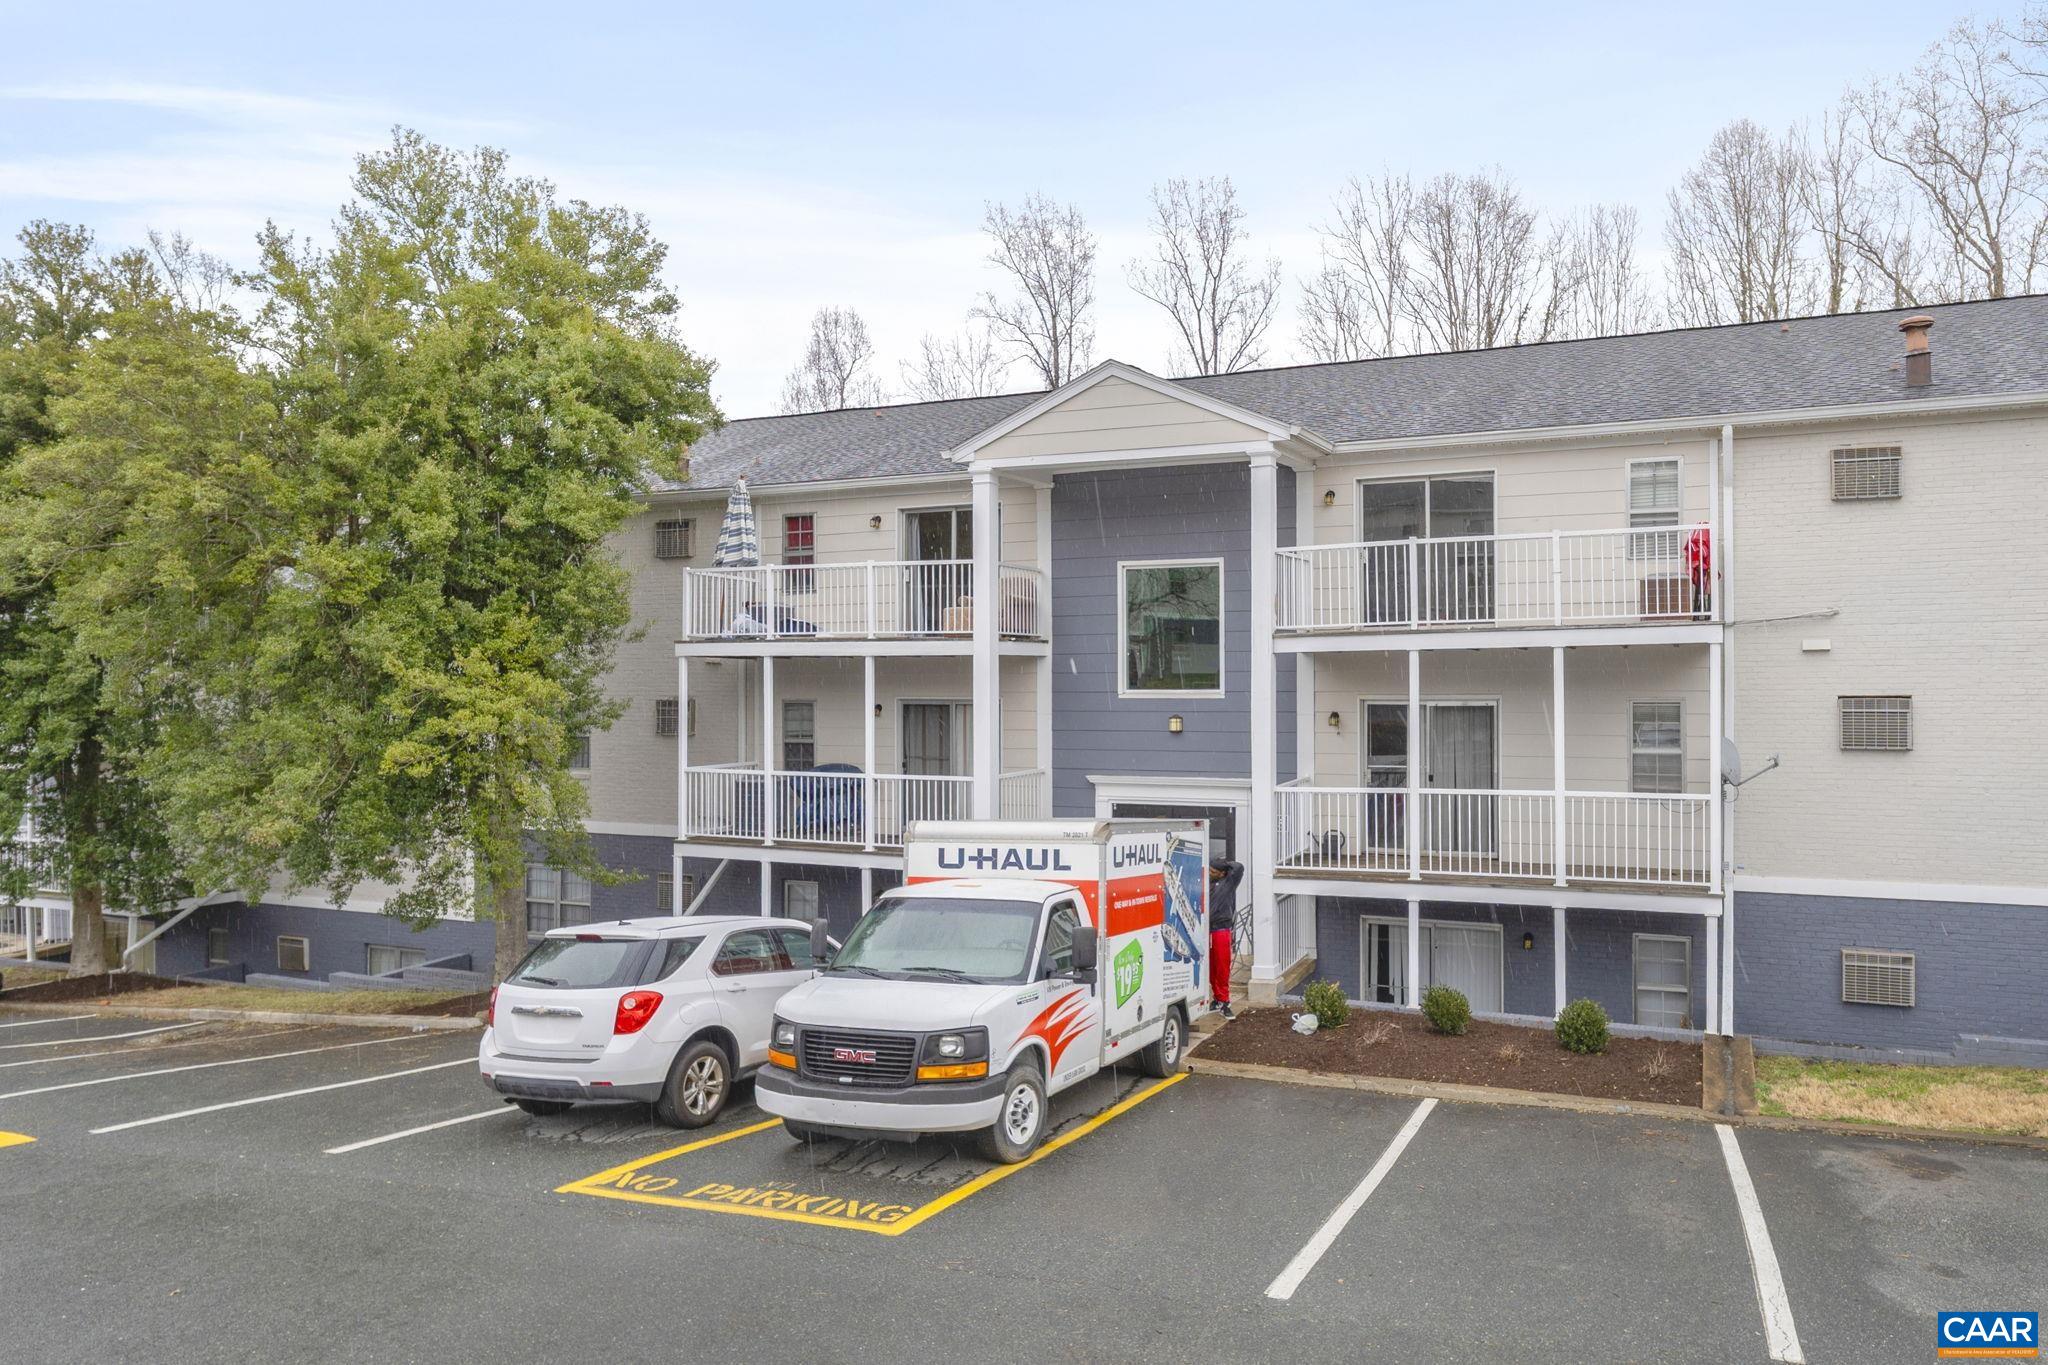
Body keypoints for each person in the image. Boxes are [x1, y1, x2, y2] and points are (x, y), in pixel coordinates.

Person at [1207, 857, 1244, 1019]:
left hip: (1221, 930)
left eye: (1214, 871)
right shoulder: (1207, 883)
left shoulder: (1229, 883)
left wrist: (1225, 865)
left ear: (1222, 873)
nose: (1210, 873)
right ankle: (1216, 998)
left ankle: (1225, 1001)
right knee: (1210, 968)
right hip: (1206, 931)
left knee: (1222, 967)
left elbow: (1239, 867)